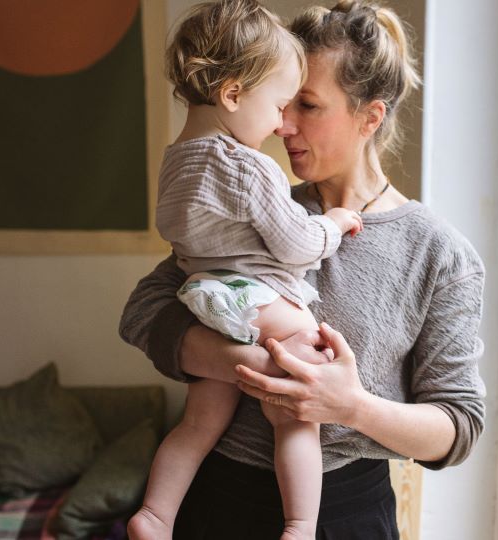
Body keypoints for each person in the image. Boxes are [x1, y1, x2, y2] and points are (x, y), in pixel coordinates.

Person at [121, 1, 487, 538]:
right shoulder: (248, 203)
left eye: (308, 106)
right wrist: (239, 362)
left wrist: (351, 405)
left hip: (343, 514)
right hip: (216, 498)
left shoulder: (437, 253)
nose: (283, 124)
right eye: (283, 103)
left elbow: (459, 429)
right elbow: (141, 313)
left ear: (371, 116)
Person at [129, 1, 364, 539]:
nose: (282, 124)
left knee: (198, 422)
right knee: (297, 405)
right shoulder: (246, 165)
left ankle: (154, 515)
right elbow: (296, 244)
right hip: (254, 297)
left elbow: (178, 237)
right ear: (233, 94)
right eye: (281, 105)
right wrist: (331, 222)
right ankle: (301, 526)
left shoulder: (175, 160)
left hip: (204, 299)